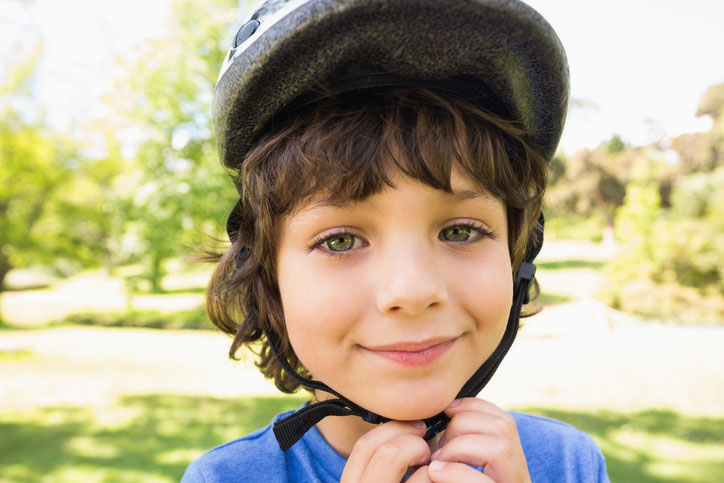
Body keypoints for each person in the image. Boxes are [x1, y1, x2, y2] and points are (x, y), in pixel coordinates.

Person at [183, 0, 609, 481]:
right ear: (268, 277)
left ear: (517, 259)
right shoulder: (224, 478)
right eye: (340, 240)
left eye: (461, 231)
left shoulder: (569, 465)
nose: (412, 291)